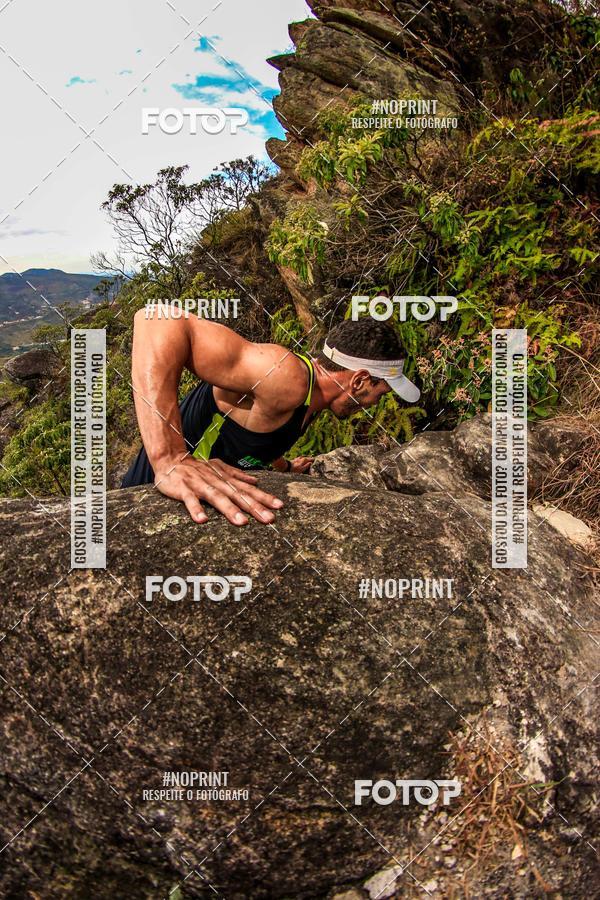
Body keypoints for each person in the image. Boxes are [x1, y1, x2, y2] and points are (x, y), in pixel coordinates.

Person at [122, 308, 420, 526]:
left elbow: (252, 436)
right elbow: (157, 320)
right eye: (381, 393)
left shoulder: (313, 400)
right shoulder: (285, 377)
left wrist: (284, 466)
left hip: (192, 502)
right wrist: (170, 459)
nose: (376, 404)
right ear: (359, 380)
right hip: (147, 493)